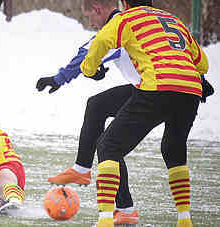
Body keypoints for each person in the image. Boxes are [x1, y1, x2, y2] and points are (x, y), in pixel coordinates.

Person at [79, 0, 209, 226]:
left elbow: (101, 41)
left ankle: (105, 220)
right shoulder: (173, 20)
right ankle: (184, 220)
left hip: (157, 86)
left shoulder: (126, 18)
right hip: (190, 90)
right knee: (173, 149)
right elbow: (202, 63)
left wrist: (89, 69)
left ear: (125, 3)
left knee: (108, 146)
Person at [37, 2, 140, 225]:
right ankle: (118, 202)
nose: (90, 23)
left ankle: (85, 172)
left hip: (152, 93)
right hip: (158, 87)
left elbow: (87, 53)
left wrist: (58, 79)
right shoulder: (140, 23)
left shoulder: (117, 26)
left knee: (109, 144)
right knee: (98, 107)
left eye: (88, 17)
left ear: (97, 8)